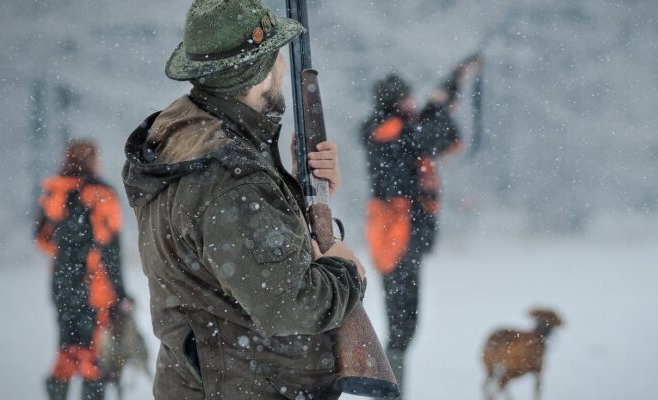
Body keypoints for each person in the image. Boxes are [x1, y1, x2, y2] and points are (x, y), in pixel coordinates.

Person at [121, 1, 367, 399]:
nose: (283, 68)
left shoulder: (190, 137)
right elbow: (294, 303)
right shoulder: (232, 181)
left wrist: (294, 188)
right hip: (248, 387)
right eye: (276, 56)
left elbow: (230, 257)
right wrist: (346, 269)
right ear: (259, 74)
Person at [361, 61, 477, 396]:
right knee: (401, 327)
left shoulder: (398, 129)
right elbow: (434, 133)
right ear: (394, 103)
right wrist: (440, 103)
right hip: (394, 238)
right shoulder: (387, 130)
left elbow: (441, 136)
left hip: (402, 238)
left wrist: (446, 95)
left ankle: (392, 390)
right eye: (407, 99)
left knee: (405, 326)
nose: (413, 104)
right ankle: (390, 392)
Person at [35, 139, 130, 400]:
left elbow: (41, 237)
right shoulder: (102, 194)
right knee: (94, 354)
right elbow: (111, 247)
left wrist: (67, 256)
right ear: (93, 160)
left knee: (67, 348)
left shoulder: (54, 191)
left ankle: (57, 392)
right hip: (95, 288)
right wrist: (121, 294)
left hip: (62, 284)